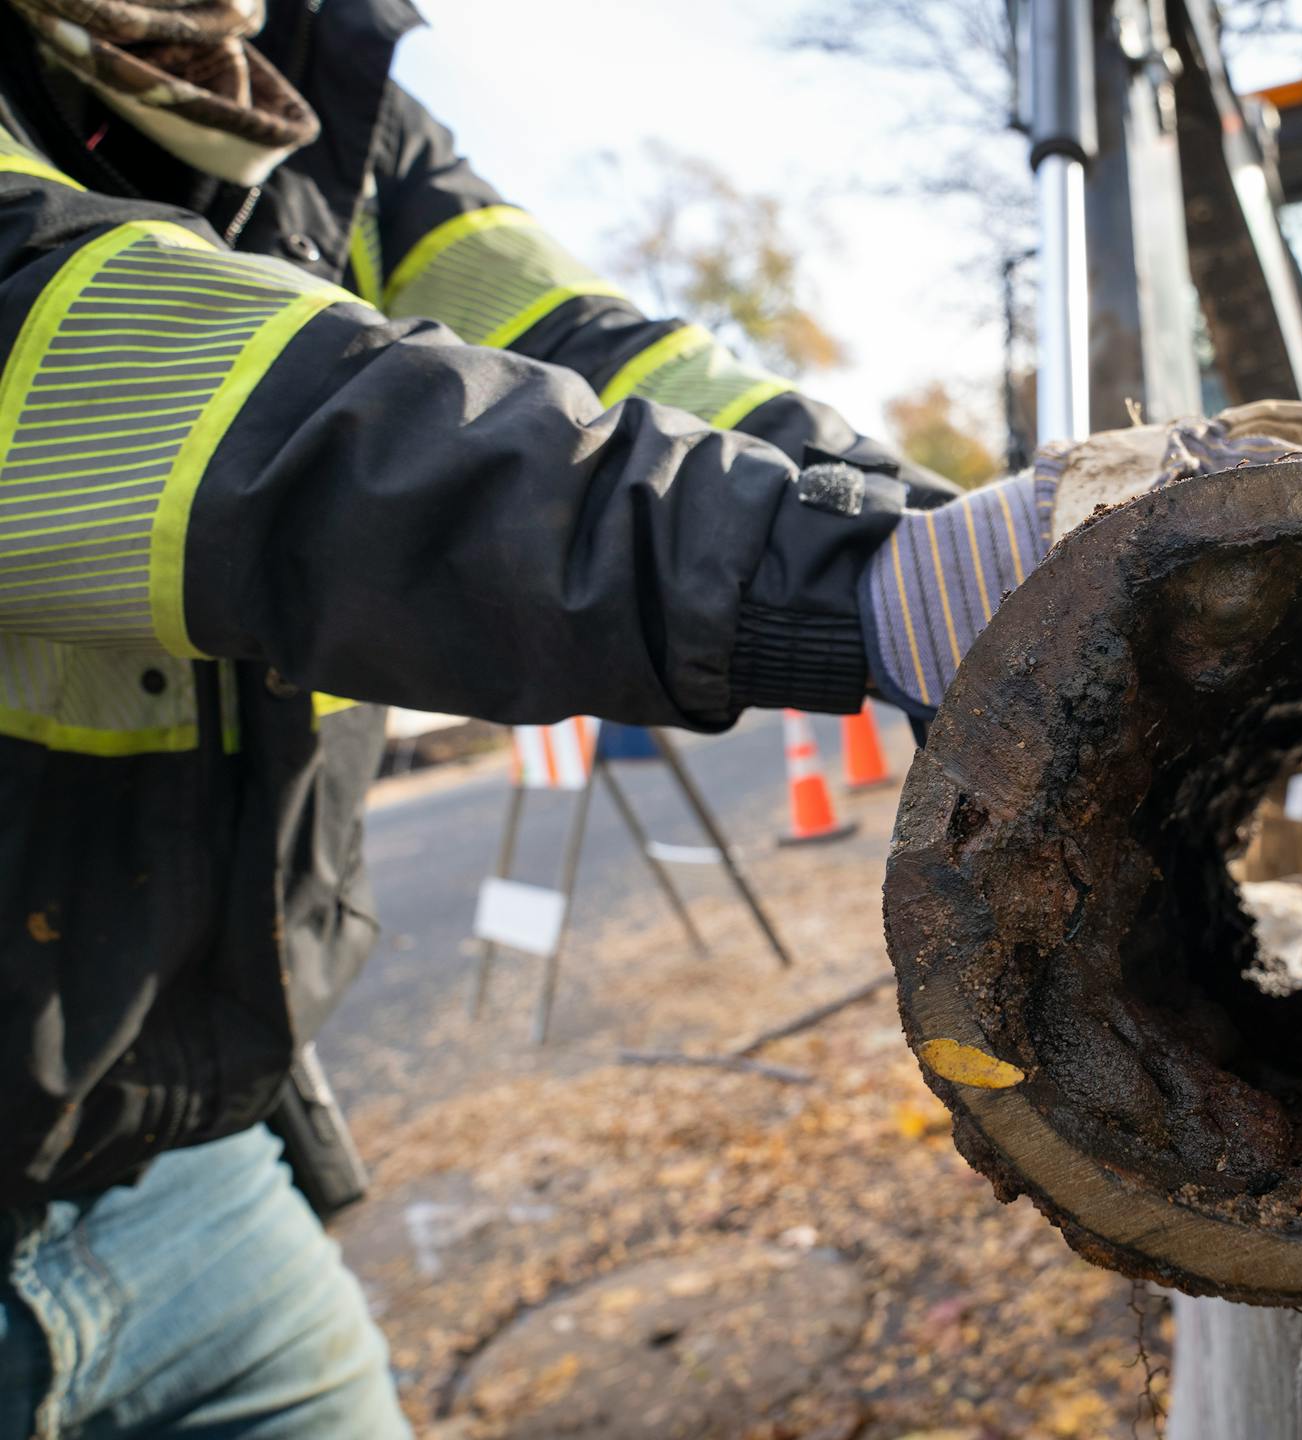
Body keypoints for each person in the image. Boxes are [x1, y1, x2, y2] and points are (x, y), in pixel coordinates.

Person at [0, 0, 1076, 1432]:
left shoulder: (319, 96)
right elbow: (230, 411)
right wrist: (836, 579)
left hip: (180, 1190)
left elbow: (604, 358)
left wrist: (946, 540)